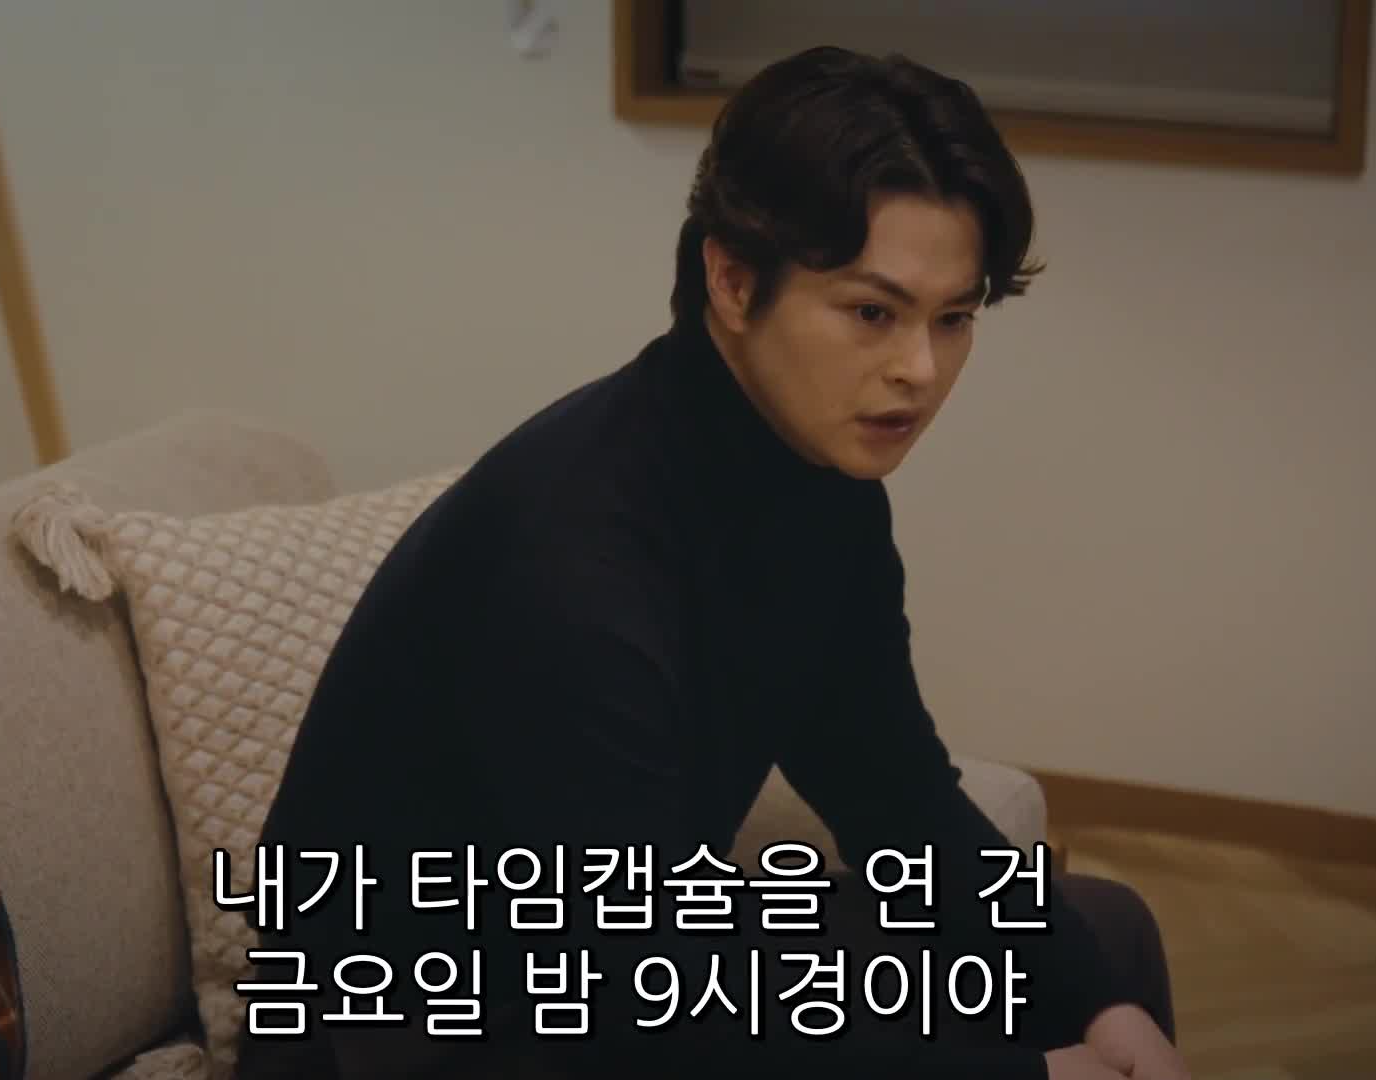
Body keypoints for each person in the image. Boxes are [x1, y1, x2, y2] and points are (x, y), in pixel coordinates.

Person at [238, 46, 1187, 1080]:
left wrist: (1094, 1005)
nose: (920, 370)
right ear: (732, 280)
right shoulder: (573, 555)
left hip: (618, 964)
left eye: (953, 319)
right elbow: (644, 998)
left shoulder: (821, 485)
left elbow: (894, 792)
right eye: (873, 313)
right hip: (414, 1031)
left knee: (1106, 945)